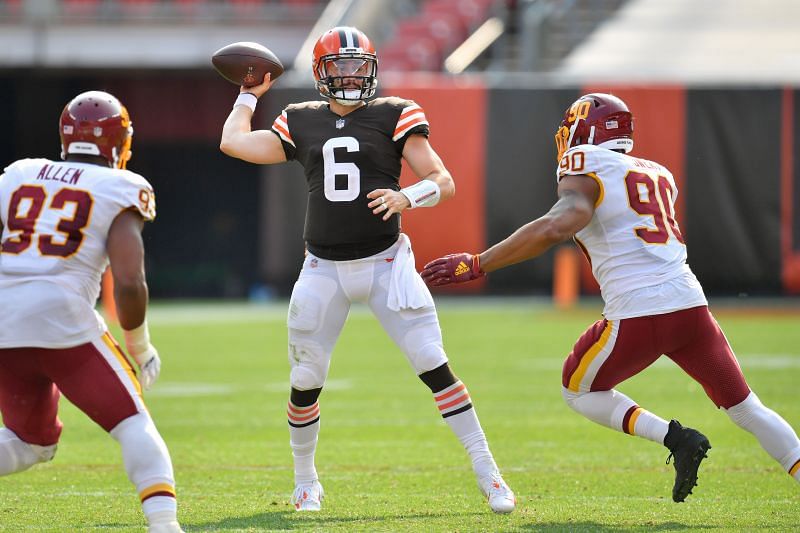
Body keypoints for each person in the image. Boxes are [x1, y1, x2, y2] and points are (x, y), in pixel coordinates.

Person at [421, 93, 800, 502]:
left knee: (577, 389)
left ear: (585, 130)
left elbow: (557, 225)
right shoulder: (657, 172)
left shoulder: (585, 162)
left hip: (640, 311)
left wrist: (478, 263)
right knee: (747, 408)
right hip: (690, 304)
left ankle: (676, 438)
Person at [220, 26, 515, 513]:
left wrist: (407, 196)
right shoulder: (301, 120)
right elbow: (234, 144)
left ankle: (489, 473)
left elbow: (444, 180)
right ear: (321, 73)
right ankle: (305, 481)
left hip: (385, 263)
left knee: (433, 364)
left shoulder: (395, 113)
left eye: (359, 65)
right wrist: (248, 96)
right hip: (323, 268)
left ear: (372, 68)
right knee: (305, 376)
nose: (352, 75)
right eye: (340, 67)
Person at [0, 91, 183, 532]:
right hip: (63, 318)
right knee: (133, 422)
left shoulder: (20, 173)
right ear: (120, 142)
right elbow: (129, 281)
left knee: (32, 443)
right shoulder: (120, 185)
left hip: (4, 318)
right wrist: (139, 345)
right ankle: (165, 527)